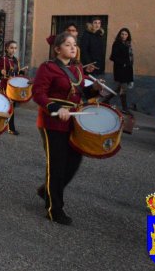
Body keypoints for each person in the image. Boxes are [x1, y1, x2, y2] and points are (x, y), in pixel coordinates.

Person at [33, 32, 98, 225]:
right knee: (57, 164)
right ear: (57, 49)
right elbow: (38, 93)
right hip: (52, 121)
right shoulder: (48, 68)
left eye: (74, 44)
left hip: (73, 120)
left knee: (74, 161)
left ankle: (46, 190)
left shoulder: (78, 68)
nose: (73, 47)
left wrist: (95, 89)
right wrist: (55, 107)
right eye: (68, 44)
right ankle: (54, 208)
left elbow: (81, 90)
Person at [0, 40, 24, 135]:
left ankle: (3, 124)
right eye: (11, 48)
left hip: (14, 86)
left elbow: (17, 72)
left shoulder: (16, 60)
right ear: (7, 49)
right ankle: (10, 128)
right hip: (6, 86)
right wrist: (1, 72)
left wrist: (21, 72)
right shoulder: (3, 59)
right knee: (9, 106)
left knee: (11, 107)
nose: (13, 50)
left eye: (15, 48)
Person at [109, 28, 134, 112]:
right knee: (124, 88)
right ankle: (124, 108)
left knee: (118, 88)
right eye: (122, 34)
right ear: (120, 35)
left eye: (126, 34)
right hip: (120, 69)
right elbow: (113, 57)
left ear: (128, 35)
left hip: (127, 69)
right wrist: (122, 63)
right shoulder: (116, 43)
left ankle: (105, 100)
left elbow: (130, 59)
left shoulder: (128, 44)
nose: (124, 36)